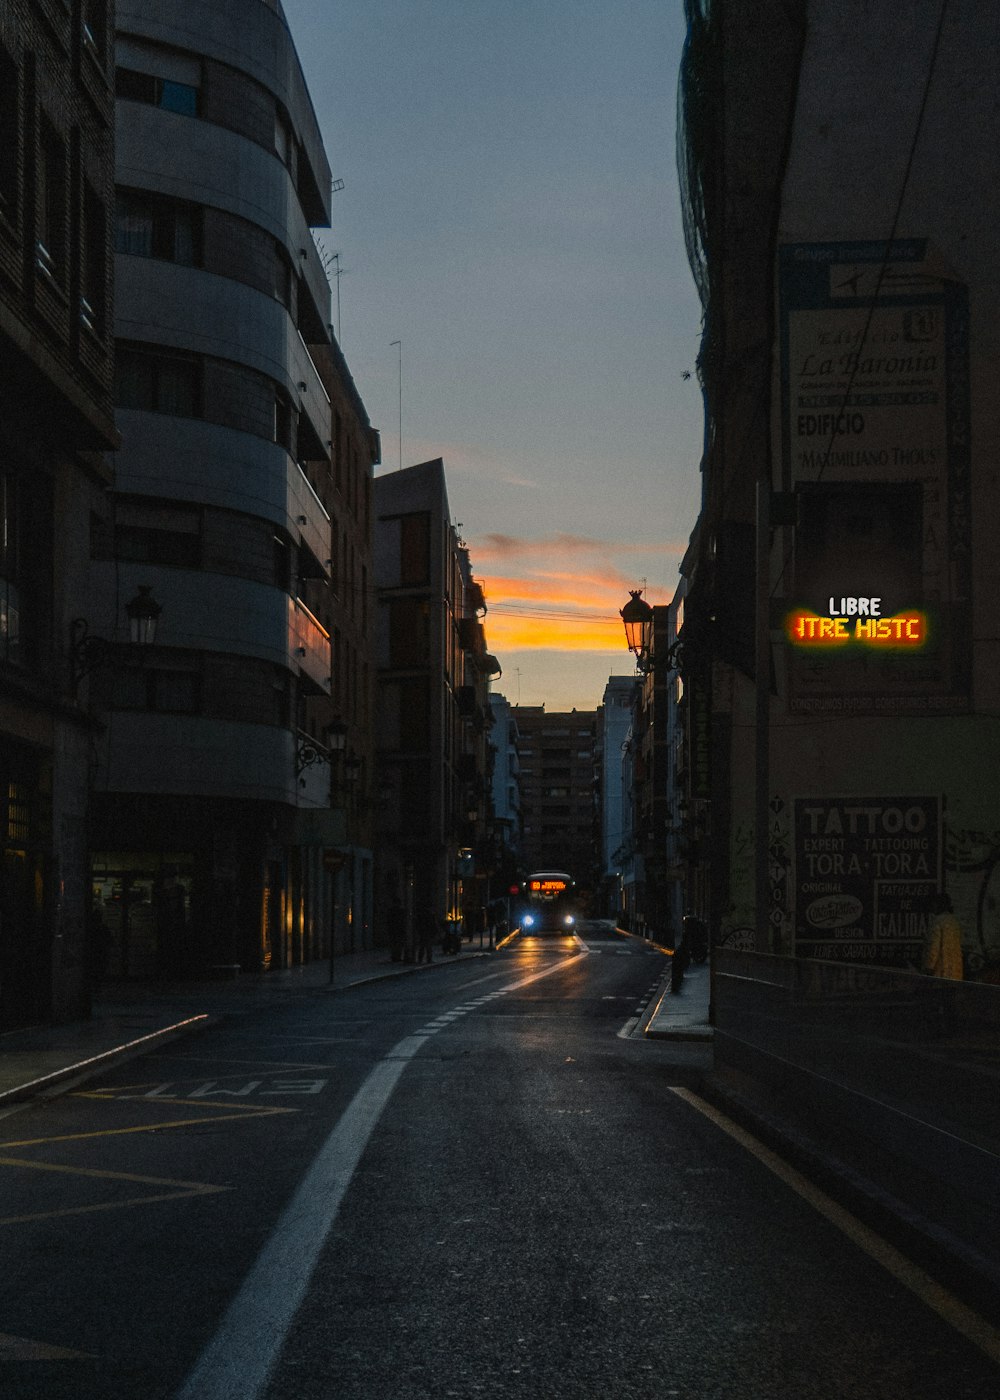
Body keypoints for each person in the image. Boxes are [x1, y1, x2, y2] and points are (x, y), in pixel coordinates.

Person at [922, 893, 964, 980]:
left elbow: (933, 947)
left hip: (940, 972)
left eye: (934, 904)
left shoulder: (937, 922)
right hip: (955, 972)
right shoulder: (954, 921)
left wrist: (928, 968)